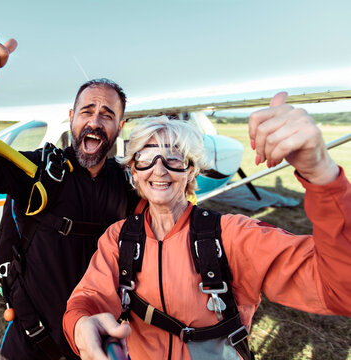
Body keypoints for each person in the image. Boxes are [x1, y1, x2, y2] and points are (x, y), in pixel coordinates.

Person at [63, 92, 351, 360]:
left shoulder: (233, 235)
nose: (160, 169)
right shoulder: (119, 238)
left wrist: (322, 176)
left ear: (191, 172)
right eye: (147, 158)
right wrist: (80, 324)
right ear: (134, 173)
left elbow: (339, 289)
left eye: (174, 158)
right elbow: (89, 298)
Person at [0, 36, 139, 360]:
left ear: (120, 125)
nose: (95, 122)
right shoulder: (40, 171)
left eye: (107, 114)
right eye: (87, 111)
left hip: (97, 347)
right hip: (30, 346)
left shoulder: (129, 185)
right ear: (72, 116)